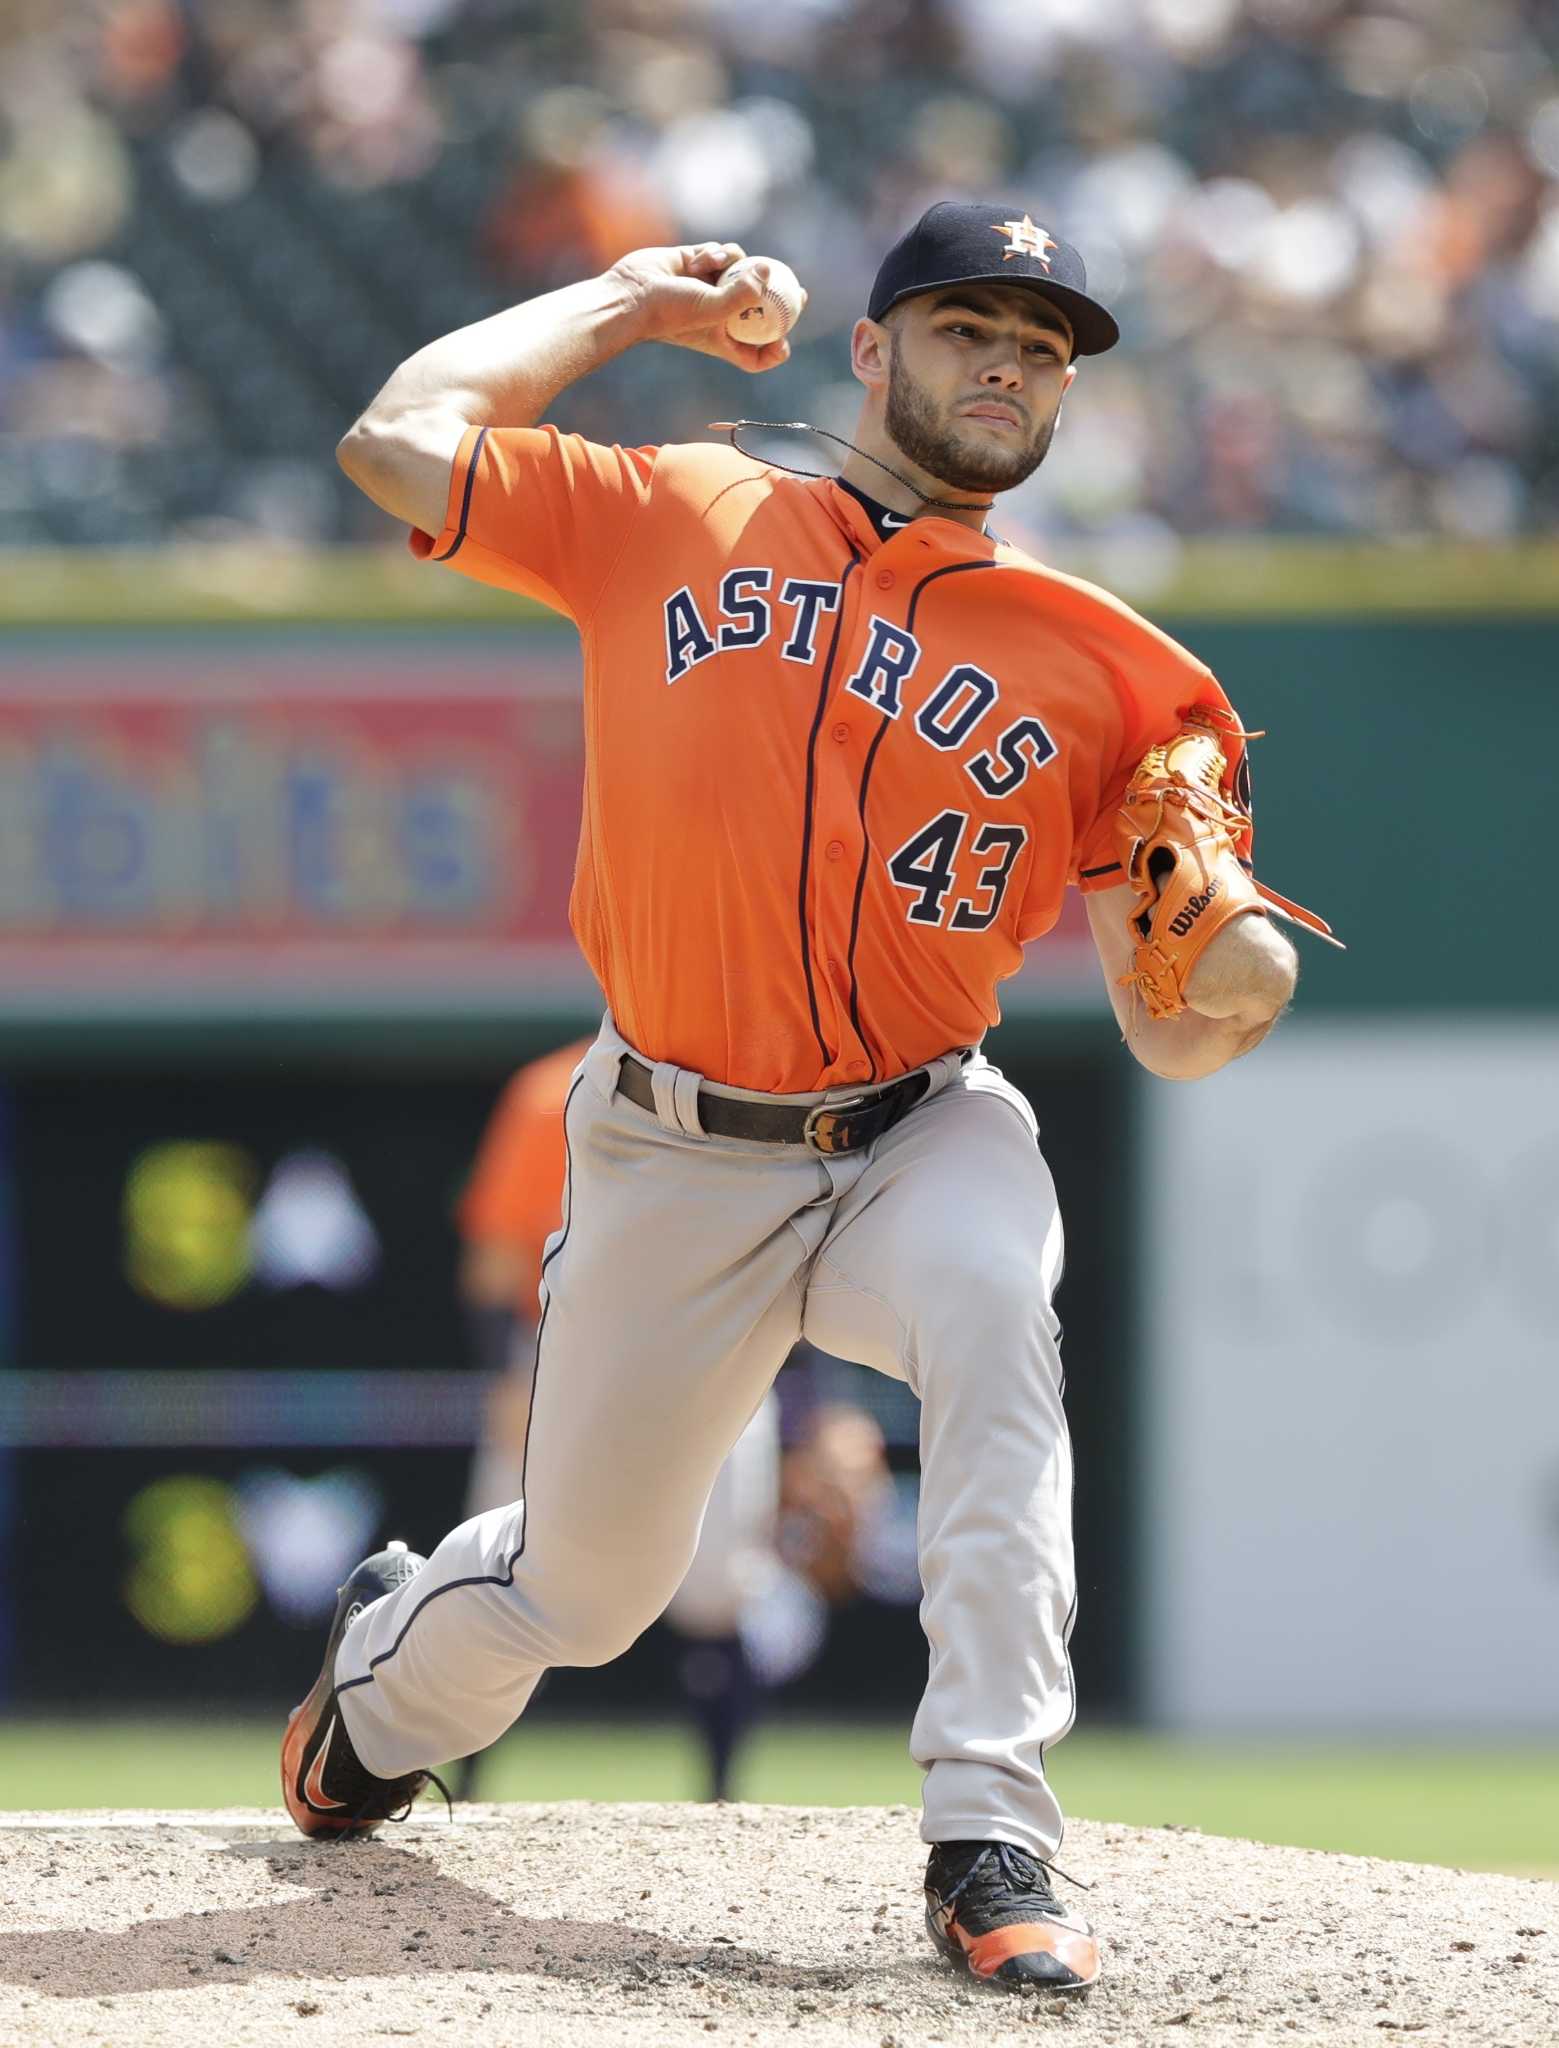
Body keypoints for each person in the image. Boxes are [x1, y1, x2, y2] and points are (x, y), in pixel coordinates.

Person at [283, 200, 1305, 1995]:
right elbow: (394, 442)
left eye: (1044, 345)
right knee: (582, 1594)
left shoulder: (1116, 671)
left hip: (923, 1123)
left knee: (1002, 1315)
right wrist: (620, 303)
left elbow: (1180, 1017)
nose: (1007, 362)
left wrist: (1207, 978)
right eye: (970, 324)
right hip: (673, 1146)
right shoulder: (676, 507)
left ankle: (992, 1823)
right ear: (872, 347)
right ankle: (376, 1681)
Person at [454, 1038, 902, 1801]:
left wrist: (827, 1412)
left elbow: (801, 1256)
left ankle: (721, 1806)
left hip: (721, 1355)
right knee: (498, 1581)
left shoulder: (765, 1080)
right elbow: (494, 1263)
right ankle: (459, 1794)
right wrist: (507, 1373)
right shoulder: (551, 1092)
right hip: (568, 1359)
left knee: (720, 1592)